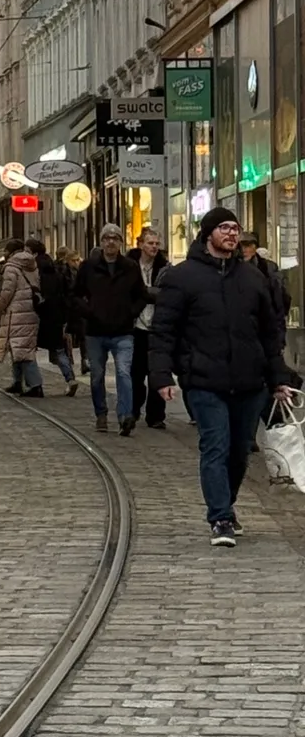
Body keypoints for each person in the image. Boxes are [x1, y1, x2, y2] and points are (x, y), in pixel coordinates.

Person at [150, 206, 294, 548]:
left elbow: (270, 332)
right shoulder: (182, 277)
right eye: (225, 228)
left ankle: (225, 504)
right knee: (215, 446)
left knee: (240, 451)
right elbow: (163, 330)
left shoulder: (253, 278)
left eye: (236, 229)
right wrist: (161, 375)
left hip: (249, 381)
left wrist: (278, 377)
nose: (232, 234)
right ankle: (221, 518)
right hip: (203, 379)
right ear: (208, 233)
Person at [73, 225, 148, 434]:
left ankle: (125, 416)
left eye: (115, 238)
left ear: (121, 242)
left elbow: (141, 294)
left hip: (123, 331)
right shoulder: (89, 267)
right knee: (97, 375)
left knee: (124, 373)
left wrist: (131, 313)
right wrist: (88, 312)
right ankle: (101, 414)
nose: (111, 242)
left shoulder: (130, 267)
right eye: (107, 238)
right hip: (96, 331)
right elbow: (75, 294)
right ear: (101, 241)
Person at [0, 238, 44, 396]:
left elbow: (6, 294)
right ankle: (18, 382)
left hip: (17, 312)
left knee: (23, 350)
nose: (4, 254)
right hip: (30, 310)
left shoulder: (11, 267)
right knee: (18, 347)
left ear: (11, 252)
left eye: (5, 251)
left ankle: (35, 385)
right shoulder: (31, 264)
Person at [128, 226, 170, 428]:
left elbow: (168, 294)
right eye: (150, 243)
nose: (154, 247)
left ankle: (156, 416)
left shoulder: (165, 268)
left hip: (157, 326)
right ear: (140, 244)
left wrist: (145, 292)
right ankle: (134, 410)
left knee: (158, 371)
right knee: (136, 372)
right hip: (135, 326)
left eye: (156, 243)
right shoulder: (129, 266)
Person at [27, 238, 77, 395]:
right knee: (59, 350)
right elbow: (64, 293)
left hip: (39, 315)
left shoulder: (33, 270)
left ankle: (32, 383)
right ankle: (70, 378)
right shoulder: (55, 269)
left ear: (34, 253)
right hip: (56, 315)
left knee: (27, 350)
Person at [240, 232, 291, 345]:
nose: (244, 250)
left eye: (247, 245)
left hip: (267, 327)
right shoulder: (234, 268)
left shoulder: (268, 268)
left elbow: (280, 301)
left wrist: (279, 336)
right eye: (241, 246)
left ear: (254, 247)